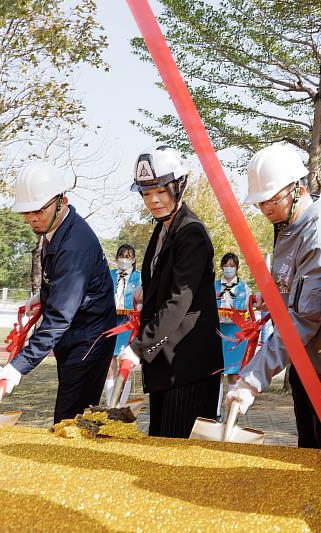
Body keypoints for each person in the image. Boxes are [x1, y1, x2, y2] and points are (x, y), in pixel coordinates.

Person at [225, 143, 321, 485]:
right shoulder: (288, 224)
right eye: (261, 202)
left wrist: (252, 380)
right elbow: (292, 288)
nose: (265, 208)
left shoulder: (320, 238)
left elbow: (303, 319)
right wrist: (271, 297)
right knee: (306, 459)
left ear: (297, 189)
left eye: (272, 199)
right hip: (309, 360)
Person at [0, 162, 116, 424]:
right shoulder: (56, 230)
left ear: (62, 201)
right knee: (72, 417)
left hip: (88, 340)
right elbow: (63, 283)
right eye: (26, 212)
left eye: (38, 210)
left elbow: (59, 318)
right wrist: (44, 294)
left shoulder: (74, 244)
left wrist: (19, 365)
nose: (32, 219)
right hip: (76, 335)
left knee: (69, 420)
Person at [117, 144, 223, 438]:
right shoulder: (164, 227)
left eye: (161, 191)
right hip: (166, 361)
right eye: (146, 193)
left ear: (180, 185)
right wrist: (145, 289)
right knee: (159, 441)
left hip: (188, 365)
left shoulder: (191, 232)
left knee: (175, 455)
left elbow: (179, 301)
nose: (153, 200)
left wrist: (138, 348)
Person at [104, 244, 142, 405]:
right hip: (110, 322)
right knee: (109, 365)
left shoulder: (138, 277)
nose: (124, 259)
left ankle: (120, 404)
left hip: (128, 325)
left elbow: (141, 301)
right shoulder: (108, 274)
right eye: (121, 256)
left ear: (133, 260)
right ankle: (109, 404)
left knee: (124, 364)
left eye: (127, 257)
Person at [214, 253, 251, 380]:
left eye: (232, 266)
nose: (228, 269)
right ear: (222, 267)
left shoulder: (244, 288)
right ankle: (216, 400)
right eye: (226, 265)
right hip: (218, 332)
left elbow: (249, 311)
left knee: (234, 373)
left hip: (236, 334)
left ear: (237, 267)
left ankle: (232, 400)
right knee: (217, 373)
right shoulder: (214, 286)